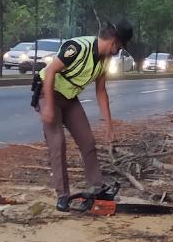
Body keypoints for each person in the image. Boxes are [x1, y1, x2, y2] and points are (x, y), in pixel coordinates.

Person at [35, 21, 134, 211]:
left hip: (69, 98)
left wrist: (109, 126)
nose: (118, 51)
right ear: (114, 41)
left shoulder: (104, 59)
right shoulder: (77, 48)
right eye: (119, 47)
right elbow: (50, 72)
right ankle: (62, 195)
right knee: (58, 143)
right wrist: (47, 106)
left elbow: (101, 91)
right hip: (48, 93)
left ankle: (97, 187)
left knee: (88, 142)